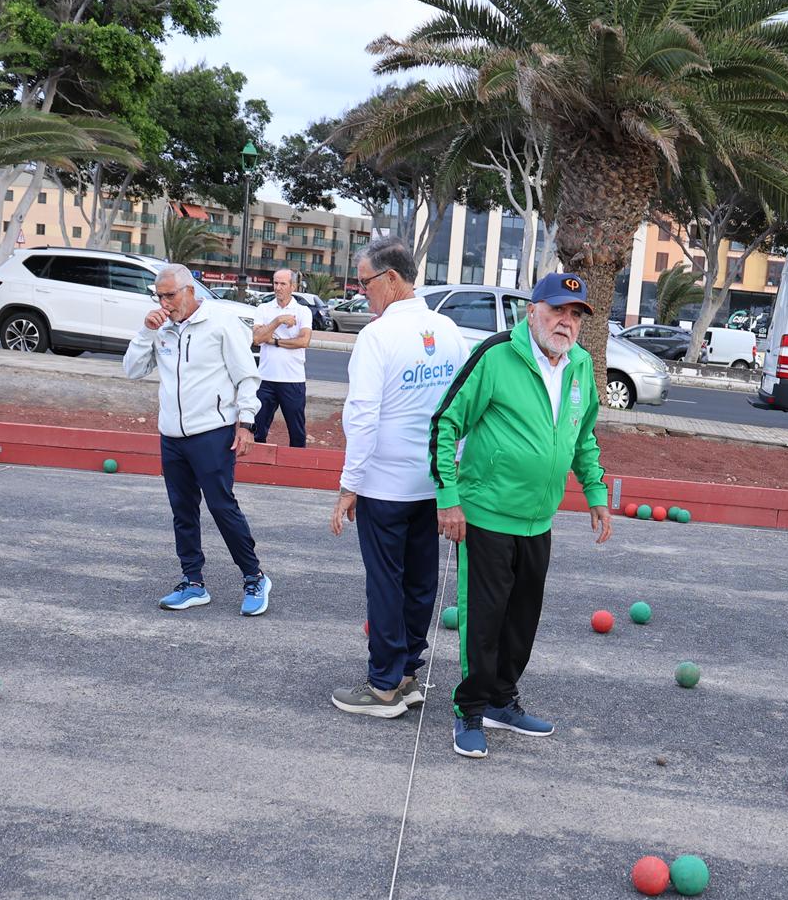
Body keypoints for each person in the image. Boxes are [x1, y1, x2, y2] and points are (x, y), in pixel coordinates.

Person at [432, 271, 611, 758]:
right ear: (531, 310)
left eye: (575, 315)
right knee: (483, 620)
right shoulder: (496, 356)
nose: (565, 322)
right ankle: (470, 709)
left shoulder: (580, 367)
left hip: (539, 520)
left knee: (521, 620)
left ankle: (502, 700)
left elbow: (584, 435)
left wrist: (595, 490)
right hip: (486, 515)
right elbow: (445, 422)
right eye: (556, 310)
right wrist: (448, 498)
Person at [330, 237, 469, 717]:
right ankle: (408, 672)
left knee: (386, 583)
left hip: (385, 486)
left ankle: (384, 685)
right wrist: (450, 477)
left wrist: (349, 485)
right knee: (419, 582)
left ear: (391, 278)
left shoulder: (378, 336)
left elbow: (362, 416)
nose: (361, 291)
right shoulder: (449, 331)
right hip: (431, 486)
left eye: (365, 281)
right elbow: (462, 412)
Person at [123, 265, 272, 615]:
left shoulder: (220, 322)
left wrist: (246, 422)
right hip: (172, 435)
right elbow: (131, 370)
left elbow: (247, 376)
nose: (164, 302)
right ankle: (193, 582)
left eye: (170, 295)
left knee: (222, 506)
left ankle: (254, 576)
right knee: (182, 510)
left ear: (190, 291)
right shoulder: (161, 330)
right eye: (159, 295)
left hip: (213, 432)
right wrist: (146, 332)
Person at [250, 269, 311, 447]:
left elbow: (304, 341)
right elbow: (257, 339)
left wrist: (274, 341)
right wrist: (278, 320)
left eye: (283, 284)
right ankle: (255, 469)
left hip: (293, 380)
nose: (278, 288)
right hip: (265, 380)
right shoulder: (264, 309)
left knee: (297, 432)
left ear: (293, 286)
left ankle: (297, 470)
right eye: (275, 283)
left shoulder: (302, 311)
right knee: (257, 430)